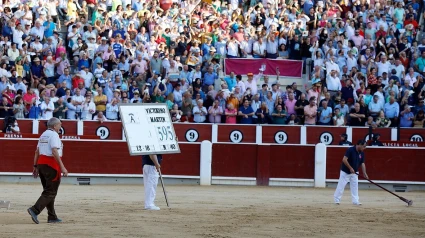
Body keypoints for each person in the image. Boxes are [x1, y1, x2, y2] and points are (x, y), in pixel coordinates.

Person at [27, 118, 69, 224]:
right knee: (50, 192)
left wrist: (35, 166)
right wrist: (63, 167)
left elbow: (37, 151)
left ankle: (52, 216)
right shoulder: (54, 135)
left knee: (48, 191)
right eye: (60, 125)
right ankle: (35, 210)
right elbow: (54, 151)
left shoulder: (43, 135)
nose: (60, 127)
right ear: (55, 126)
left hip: (42, 164)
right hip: (51, 165)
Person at [334, 140, 369, 205]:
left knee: (355, 187)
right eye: (364, 146)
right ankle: (337, 199)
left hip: (355, 172)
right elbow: (344, 159)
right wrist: (350, 168)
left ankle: (355, 201)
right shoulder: (350, 150)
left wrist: (364, 173)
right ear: (359, 145)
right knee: (341, 186)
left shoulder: (362, 153)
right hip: (345, 171)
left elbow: (362, 163)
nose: (364, 148)